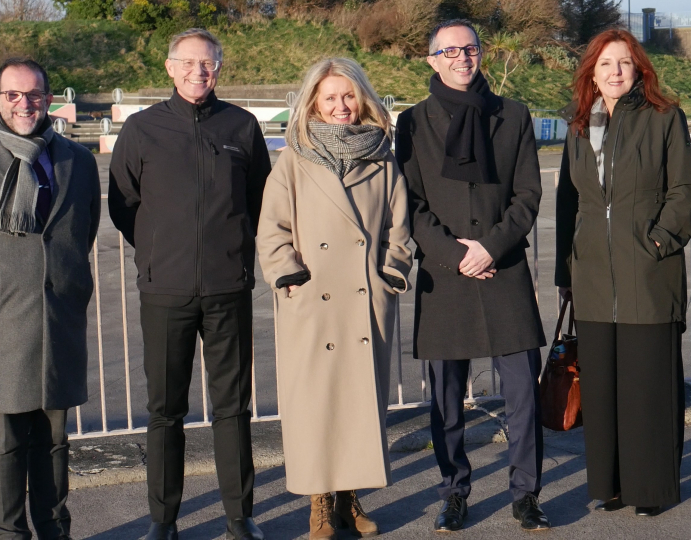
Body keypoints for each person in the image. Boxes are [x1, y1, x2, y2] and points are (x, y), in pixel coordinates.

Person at [108, 28, 271, 540]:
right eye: (189, 63)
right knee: (165, 411)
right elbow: (123, 204)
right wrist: (159, 253)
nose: (199, 72)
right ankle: (163, 520)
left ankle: (240, 516)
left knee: (232, 408)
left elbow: (259, 199)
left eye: (209, 63)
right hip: (165, 291)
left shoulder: (242, 126)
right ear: (169, 66)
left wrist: (234, 253)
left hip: (229, 289)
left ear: (219, 68)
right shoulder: (142, 129)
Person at [395, 19, 549, 532]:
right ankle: (454, 492)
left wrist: (490, 247)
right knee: (445, 402)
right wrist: (454, 253)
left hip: (503, 268)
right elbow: (410, 203)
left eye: (471, 48)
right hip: (446, 274)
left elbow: (528, 194)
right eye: (451, 50)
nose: (463, 57)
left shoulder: (514, 115)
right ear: (432, 60)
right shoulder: (413, 123)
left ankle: (526, 494)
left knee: (524, 393)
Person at [257, 57, 411, 540]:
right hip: (312, 301)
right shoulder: (293, 158)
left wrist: (390, 273)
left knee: (359, 403)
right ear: (314, 104)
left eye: (348, 96)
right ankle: (319, 502)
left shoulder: (382, 156)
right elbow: (272, 230)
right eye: (330, 98)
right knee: (316, 404)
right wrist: (291, 279)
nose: (341, 106)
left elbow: (400, 228)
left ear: (361, 98)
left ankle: (350, 497)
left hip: (364, 303)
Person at [555, 29, 691, 516]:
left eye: (623, 63)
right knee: (604, 391)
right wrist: (566, 270)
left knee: (648, 390)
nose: (615, 72)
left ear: (639, 68)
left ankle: (651, 490)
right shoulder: (579, 126)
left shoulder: (663, 118)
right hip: (593, 277)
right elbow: (569, 202)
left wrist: (658, 240)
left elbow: (685, 188)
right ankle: (611, 485)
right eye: (604, 65)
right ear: (591, 73)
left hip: (649, 276)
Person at [0, 58, 100, 540]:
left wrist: (70, 281)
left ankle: (55, 529)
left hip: (58, 319)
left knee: (55, 442)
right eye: (13, 95)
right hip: (5, 321)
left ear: (48, 98)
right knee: (7, 443)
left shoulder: (77, 161)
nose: (24, 104)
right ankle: (10, 532)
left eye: (34, 94)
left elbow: (83, 231)